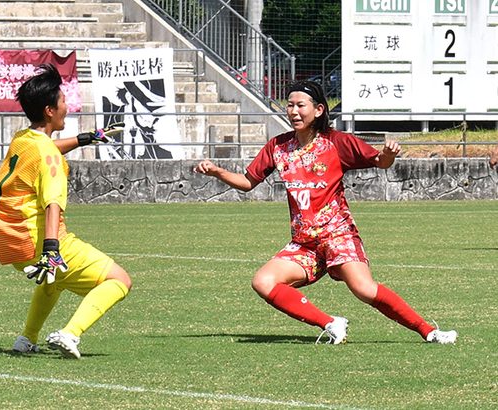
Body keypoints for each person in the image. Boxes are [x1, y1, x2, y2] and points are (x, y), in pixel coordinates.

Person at [195, 80, 457, 345]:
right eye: (290, 105)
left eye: (301, 105)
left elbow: (380, 162)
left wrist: (389, 154)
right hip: (305, 243)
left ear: (319, 109)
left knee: (364, 289)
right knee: (263, 281)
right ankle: (331, 324)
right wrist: (218, 172)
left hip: (337, 235)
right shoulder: (278, 147)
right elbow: (248, 182)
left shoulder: (336, 142)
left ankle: (429, 331)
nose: (294, 111)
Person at [0, 64, 132, 359]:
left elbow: (47, 148)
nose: (68, 106)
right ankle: (70, 334)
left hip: (13, 242)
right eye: (63, 101)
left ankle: (27, 338)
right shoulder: (48, 156)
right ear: (50, 110)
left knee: (53, 281)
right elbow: (53, 203)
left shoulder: (23, 139)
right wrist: (52, 251)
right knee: (119, 280)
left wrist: (86, 138)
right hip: (42, 241)